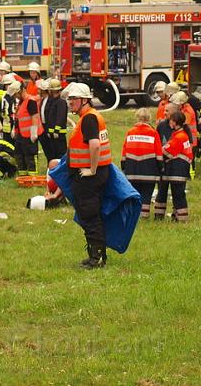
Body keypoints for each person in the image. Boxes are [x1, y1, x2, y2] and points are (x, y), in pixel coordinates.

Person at [66, 83, 112, 269]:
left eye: (74, 99)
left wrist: (91, 170)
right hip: (94, 175)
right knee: (91, 215)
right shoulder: (89, 116)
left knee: (90, 216)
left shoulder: (89, 119)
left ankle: (97, 258)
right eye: (70, 99)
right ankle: (95, 254)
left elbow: (94, 145)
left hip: (90, 177)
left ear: (84, 100)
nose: (70, 103)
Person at [121, 108, 163, 219]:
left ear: (137, 117)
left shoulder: (130, 132)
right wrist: (161, 167)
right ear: (149, 118)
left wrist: (124, 167)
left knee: (134, 193)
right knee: (147, 194)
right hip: (149, 170)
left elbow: (124, 151)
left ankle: (134, 216)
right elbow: (159, 153)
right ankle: (144, 215)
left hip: (132, 170)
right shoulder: (153, 133)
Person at [155, 110, 193, 222]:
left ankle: (179, 219)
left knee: (177, 195)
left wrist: (157, 151)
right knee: (178, 194)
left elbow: (166, 151)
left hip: (176, 170)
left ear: (175, 122)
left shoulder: (179, 137)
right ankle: (179, 217)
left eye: (171, 121)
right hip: (180, 169)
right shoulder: (182, 134)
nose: (169, 123)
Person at [13, 82, 41, 177]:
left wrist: (34, 132)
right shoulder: (21, 102)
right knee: (19, 155)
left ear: (21, 91)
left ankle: (33, 177)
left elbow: (34, 117)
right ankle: (23, 176)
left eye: (16, 94)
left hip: (29, 135)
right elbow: (18, 117)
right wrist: (15, 129)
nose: (15, 97)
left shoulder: (30, 101)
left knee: (30, 156)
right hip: (21, 135)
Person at [46, 78, 68, 159]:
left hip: (59, 135)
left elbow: (60, 118)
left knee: (61, 155)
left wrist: (56, 131)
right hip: (52, 134)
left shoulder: (61, 102)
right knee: (54, 155)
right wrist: (48, 130)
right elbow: (49, 117)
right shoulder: (52, 101)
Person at [37, 79, 52, 160]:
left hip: (48, 127)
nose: (38, 91)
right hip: (43, 127)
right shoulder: (43, 100)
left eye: (40, 89)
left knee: (51, 150)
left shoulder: (50, 100)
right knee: (46, 149)